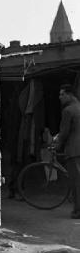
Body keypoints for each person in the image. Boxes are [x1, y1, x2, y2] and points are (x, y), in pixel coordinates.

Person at [53, 84, 80, 218]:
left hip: (74, 150)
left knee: (76, 181)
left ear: (69, 95)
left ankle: (78, 211)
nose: (59, 97)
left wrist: (56, 145)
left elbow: (64, 133)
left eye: (62, 94)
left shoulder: (68, 111)